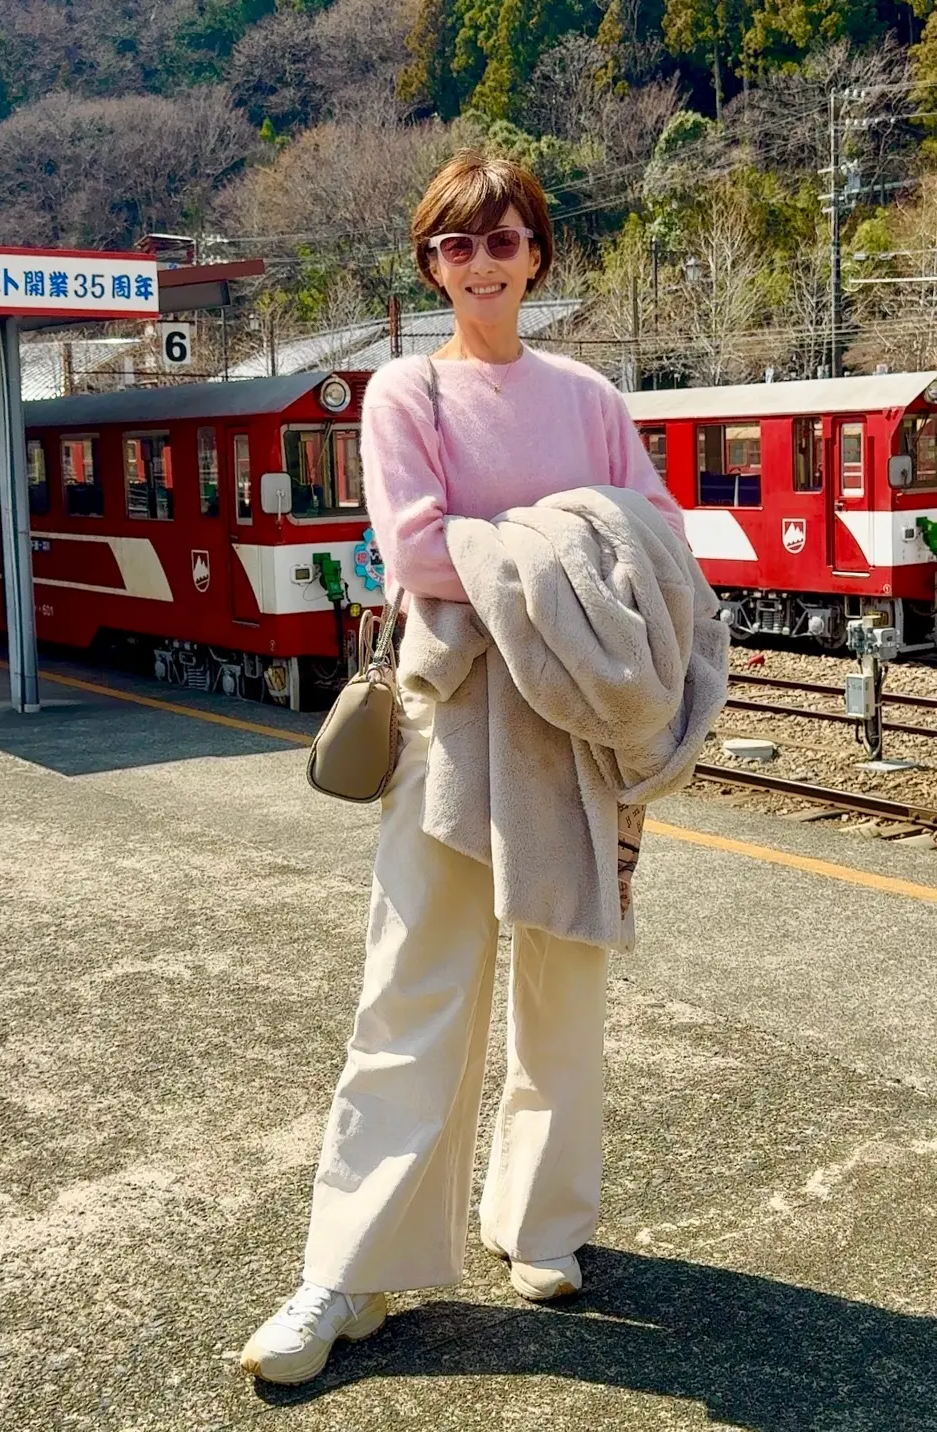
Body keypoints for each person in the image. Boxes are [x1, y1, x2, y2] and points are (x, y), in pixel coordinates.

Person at [241, 150, 684, 1386]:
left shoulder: (589, 393)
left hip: (575, 734)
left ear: (537, 253)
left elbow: (655, 536)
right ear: (430, 265)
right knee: (411, 995)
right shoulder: (407, 391)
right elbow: (417, 553)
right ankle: (348, 1270)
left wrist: (530, 551)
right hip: (450, 725)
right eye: (456, 244)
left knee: (565, 994)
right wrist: (570, 544)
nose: (480, 263)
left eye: (502, 240)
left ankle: (541, 1226)